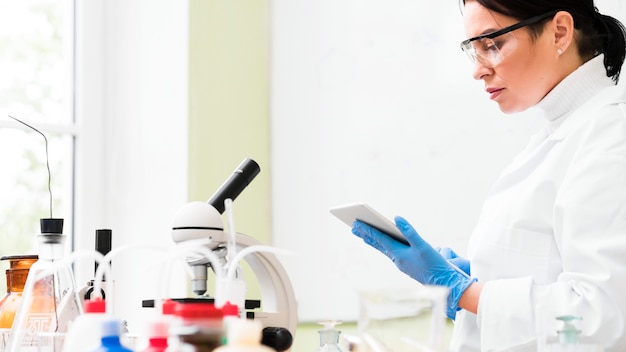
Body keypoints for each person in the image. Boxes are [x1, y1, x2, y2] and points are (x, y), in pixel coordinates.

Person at [350, 0, 626, 351]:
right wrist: (479, 282)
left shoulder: (610, 140)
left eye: (492, 45)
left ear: (559, 32)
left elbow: (603, 317)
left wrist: (464, 291)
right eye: (473, 50)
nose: (478, 70)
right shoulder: (562, 134)